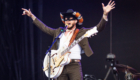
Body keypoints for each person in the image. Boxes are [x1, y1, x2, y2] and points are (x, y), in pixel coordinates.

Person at [22, 0, 115, 80]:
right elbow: (44, 28)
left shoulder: (81, 32)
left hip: (74, 65)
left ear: (75, 21)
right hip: (59, 66)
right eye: (66, 19)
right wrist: (32, 16)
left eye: (71, 19)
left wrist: (105, 14)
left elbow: (99, 28)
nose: (68, 20)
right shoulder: (59, 32)